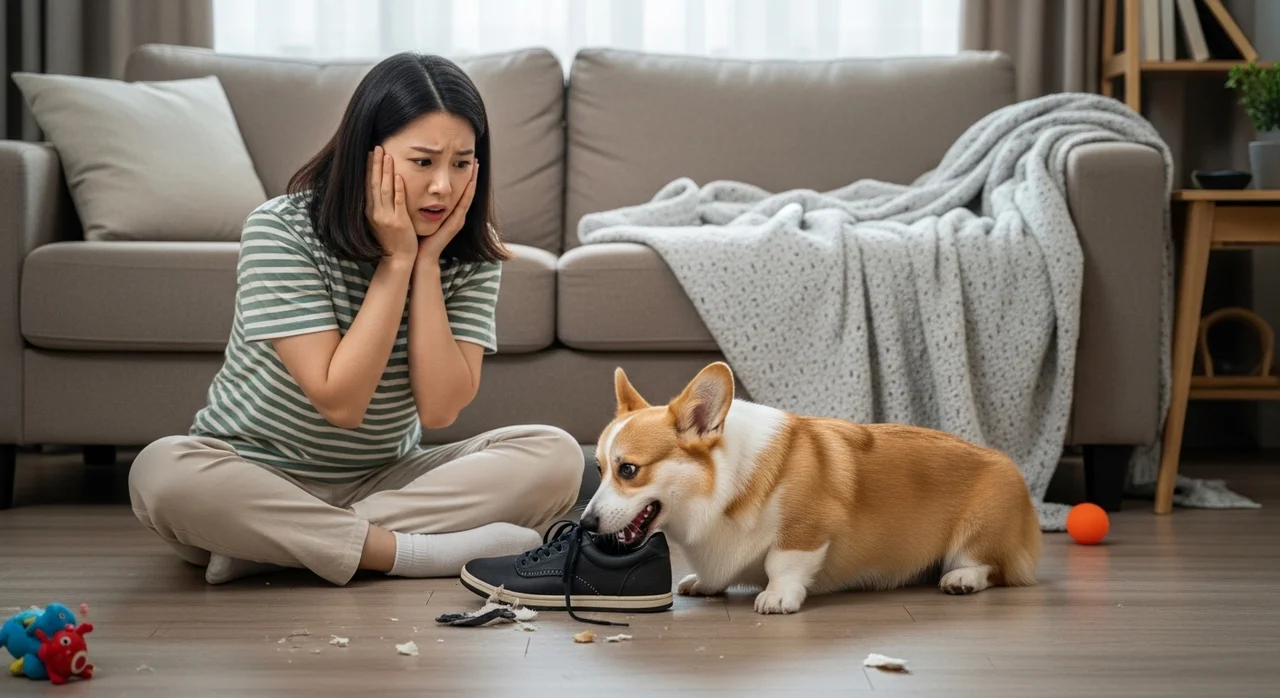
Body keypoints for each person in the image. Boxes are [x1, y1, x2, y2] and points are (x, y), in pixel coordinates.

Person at [127, 52, 583, 586]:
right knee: (160, 473)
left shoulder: (471, 255)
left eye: (462, 162)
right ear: (368, 156)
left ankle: (272, 548)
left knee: (555, 455)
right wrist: (396, 261)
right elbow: (340, 402)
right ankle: (407, 553)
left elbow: (439, 410)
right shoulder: (282, 231)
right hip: (255, 473)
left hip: (386, 480)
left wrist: (428, 263)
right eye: (423, 162)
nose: (443, 185)